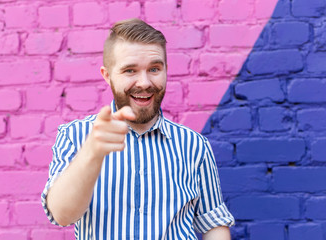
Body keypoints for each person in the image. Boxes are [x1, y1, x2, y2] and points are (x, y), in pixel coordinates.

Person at [42, 18, 234, 240]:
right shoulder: (75, 137)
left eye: (154, 69)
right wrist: (92, 153)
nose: (144, 82)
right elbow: (61, 214)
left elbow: (214, 223)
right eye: (130, 70)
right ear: (107, 75)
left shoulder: (194, 145)